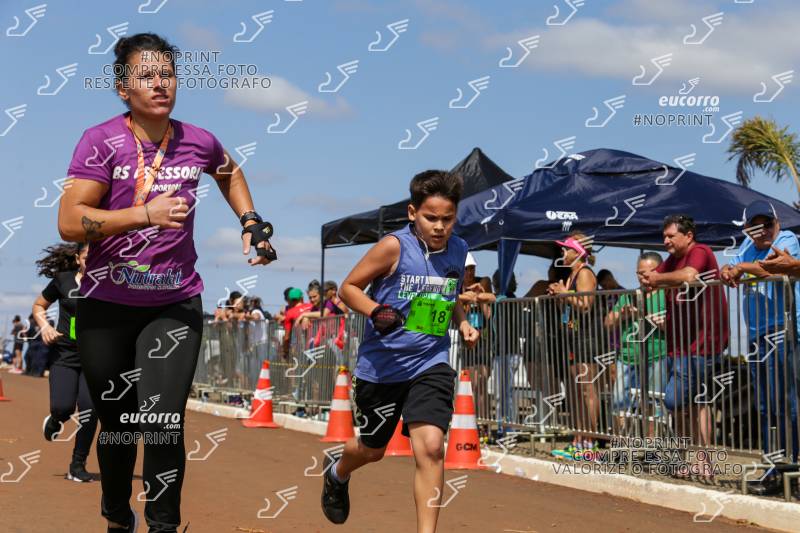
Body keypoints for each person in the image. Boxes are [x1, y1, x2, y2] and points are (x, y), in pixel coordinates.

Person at [57, 33, 275, 533]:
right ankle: (117, 512)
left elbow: (229, 173)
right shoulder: (100, 141)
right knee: (118, 426)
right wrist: (144, 214)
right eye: (147, 76)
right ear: (122, 88)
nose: (161, 84)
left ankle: (163, 525)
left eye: (168, 75)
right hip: (106, 305)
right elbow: (69, 222)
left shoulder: (198, 141)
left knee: (161, 420)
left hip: (173, 303)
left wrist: (250, 221)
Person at [323, 169, 479, 532]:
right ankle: (337, 472)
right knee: (372, 449)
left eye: (447, 219)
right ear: (412, 213)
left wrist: (463, 322)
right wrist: (376, 311)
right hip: (382, 366)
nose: (439, 227)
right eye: (431, 217)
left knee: (431, 447)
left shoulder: (458, 249)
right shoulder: (394, 247)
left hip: (430, 360)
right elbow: (348, 288)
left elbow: (450, 293)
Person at [639, 214, 729, 479]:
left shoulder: (700, 251)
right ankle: (693, 459)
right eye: (664, 236)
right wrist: (650, 278)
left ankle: (701, 459)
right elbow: (655, 277)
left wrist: (656, 280)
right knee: (690, 402)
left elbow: (689, 276)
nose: (665, 241)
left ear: (688, 236)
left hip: (701, 344)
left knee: (678, 399)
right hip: (679, 344)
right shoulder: (673, 259)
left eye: (671, 236)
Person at [720, 200, 799, 492]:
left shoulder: (787, 239)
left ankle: (793, 469)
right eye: (755, 227)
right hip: (757, 338)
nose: (763, 230)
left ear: (777, 222)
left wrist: (740, 267)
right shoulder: (746, 246)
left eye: (767, 224)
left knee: (788, 405)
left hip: (783, 333)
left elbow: (774, 268)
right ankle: (773, 470)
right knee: (766, 407)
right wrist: (727, 270)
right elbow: (732, 268)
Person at [33, 243, 99, 482]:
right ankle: (56, 419)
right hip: (65, 355)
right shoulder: (64, 280)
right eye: (88, 257)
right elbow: (39, 305)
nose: (92, 261)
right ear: (78, 259)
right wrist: (45, 327)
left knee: (90, 411)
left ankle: (77, 465)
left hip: (95, 357)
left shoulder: (109, 284)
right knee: (63, 407)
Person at [547, 233, 603, 458]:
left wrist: (564, 294)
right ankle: (579, 440)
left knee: (587, 389)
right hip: (574, 337)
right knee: (576, 390)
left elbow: (586, 304)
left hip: (587, 339)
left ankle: (590, 443)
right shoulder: (571, 275)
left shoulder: (585, 273)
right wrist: (559, 296)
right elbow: (569, 310)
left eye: (566, 248)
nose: (562, 252)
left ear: (578, 252)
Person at [604, 252, 667, 436]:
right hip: (627, 357)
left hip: (657, 356)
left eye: (647, 272)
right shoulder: (629, 295)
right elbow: (607, 322)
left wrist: (658, 322)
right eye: (639, 273)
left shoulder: (667, 294)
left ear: (659, 271)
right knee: (618, 401)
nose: (642, 277)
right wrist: (621, 315)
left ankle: (650, 443)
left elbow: (677, 326)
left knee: (653, 403)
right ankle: (621, 443)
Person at [458, 253, 495, 424]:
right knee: (471, 384)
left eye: (472, 268)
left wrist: (480, 297)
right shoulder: (458, 287)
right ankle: (471, 422)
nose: (470, 272)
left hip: (483, 340)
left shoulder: (482, 283)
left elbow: (488, 314)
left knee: (482, 382)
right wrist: (466, 297)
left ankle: (483, 422)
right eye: (466, 269)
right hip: (466, 341)